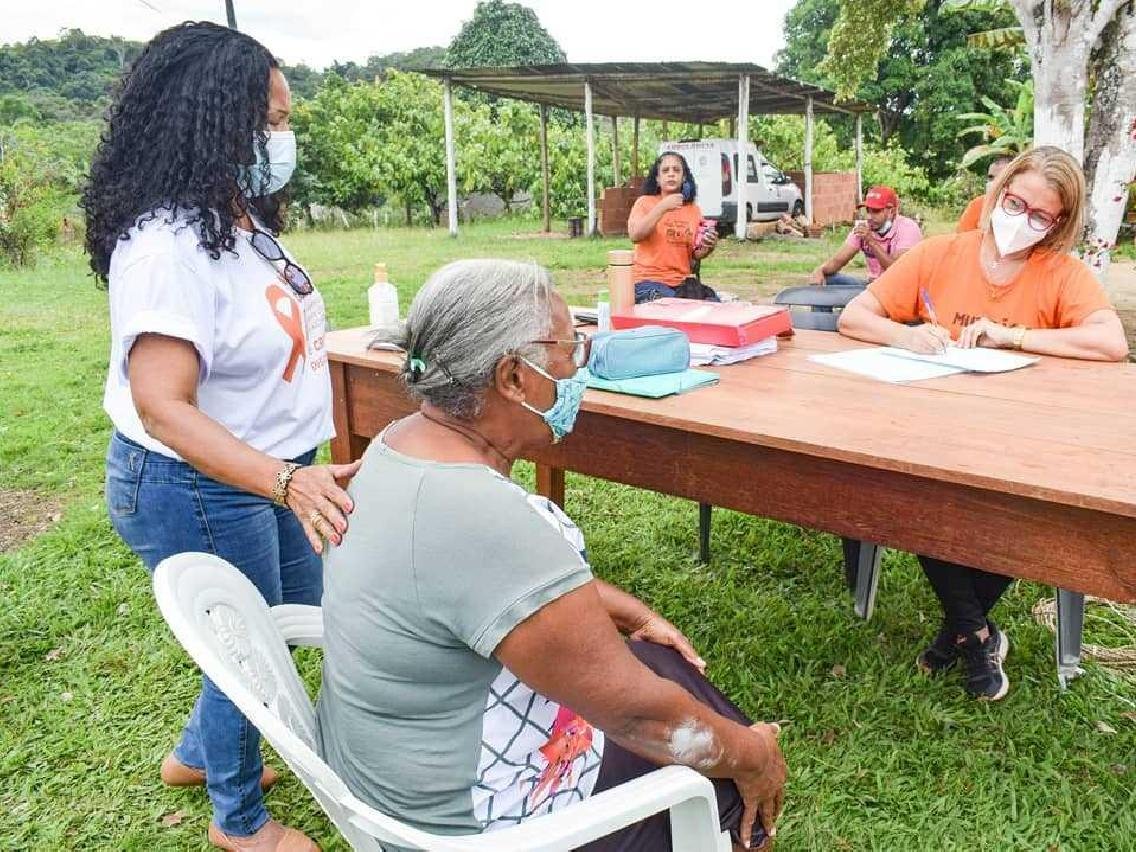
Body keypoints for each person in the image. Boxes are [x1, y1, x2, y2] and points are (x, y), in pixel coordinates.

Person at [317, 260, 787, 852]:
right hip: (472, 823)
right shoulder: (490, 519)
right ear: (513, 376)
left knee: (662, 666)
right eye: (572, 351)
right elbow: (643, 720)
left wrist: (632, 612)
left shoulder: (396, 444)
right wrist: (755, 756)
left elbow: (489, 591)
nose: (577, 371)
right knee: (720, 774)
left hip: (393, 766)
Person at [85, 22, 359, 851]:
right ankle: (239, 823)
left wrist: (297, 463)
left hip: (263, 473)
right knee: (248, 647)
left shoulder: (233, 220)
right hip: (196, 483)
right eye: (268, 121)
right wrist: (286, 480)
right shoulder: (166, 244)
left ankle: (199, 755)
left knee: (290, 615)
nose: (283, 138)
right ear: (207, 119)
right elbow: (165, 405)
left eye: (283, 120)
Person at [836, 146, 1128, 701]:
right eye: (1016, 203)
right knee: (913, 489)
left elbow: (1111, 342)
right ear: (998, 193)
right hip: (935, 432)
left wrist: (1013, 335)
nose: (1023, 221)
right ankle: (975, 633)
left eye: (1041, 216)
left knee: (1019, 513)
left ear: (1060, 222)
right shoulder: (942, 253)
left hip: (1022, 443)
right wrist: (907, 335)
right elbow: (855, 315)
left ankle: (961, 632)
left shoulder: (1061, 273)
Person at [629, 152, 720, 303]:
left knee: (713, 305)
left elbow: (694, 255)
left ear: (684, 178)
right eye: (665, 171)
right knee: (674, 305)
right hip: (647, 282)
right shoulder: (644, 203)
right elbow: (635, 235)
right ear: (657, 179)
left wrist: (708, 247)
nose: (671, 174)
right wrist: (663, 207)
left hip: (681, 284)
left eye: (676, 170)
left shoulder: (693, 210)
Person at [810, 185, 923, 287]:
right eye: (868, 210)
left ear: (891, 211)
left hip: (899, 290)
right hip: (872, 287)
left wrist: (871, 241)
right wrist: (820, 270)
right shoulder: (864, 228)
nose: (869, 216)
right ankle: (819, 311)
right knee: (825, 278)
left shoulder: (907, 228)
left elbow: (896, 270)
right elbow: (838, 261)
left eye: (876, 211)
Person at [956, 155, 1013, 232]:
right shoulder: (977, 204)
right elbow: (961, 238)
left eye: (1001, 177)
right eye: (991, 177)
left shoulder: (1025, 209)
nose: (994, 182)